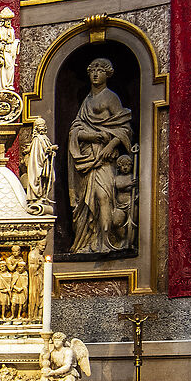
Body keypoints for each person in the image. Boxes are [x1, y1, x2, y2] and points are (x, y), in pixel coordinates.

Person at [66, 58, 137, 254]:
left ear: (108, 74)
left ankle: (106, 241)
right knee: (86, 203)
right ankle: (88, 241)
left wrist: (111, 144)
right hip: (87, 158)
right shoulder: (86, 101)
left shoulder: (110, 97)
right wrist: (94, 135)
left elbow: (125, 128)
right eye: (92, 70)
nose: (96, 74)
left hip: (104, 158)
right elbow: (75, 131)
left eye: (100, 70)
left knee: (103, 196)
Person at [20, 115, 56, 212]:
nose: (43, 127)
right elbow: (39, 152)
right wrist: (50, 149)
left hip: (45, 163)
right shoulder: (37, 139)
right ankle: (36, 198)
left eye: (43, 125)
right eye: (40, 126)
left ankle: (42, 196)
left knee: (50, 179)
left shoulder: (44, 138)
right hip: (39, 163)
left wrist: (50, 152)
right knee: (37, 178)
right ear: (37, 127)